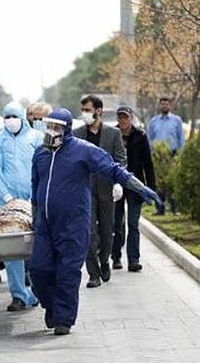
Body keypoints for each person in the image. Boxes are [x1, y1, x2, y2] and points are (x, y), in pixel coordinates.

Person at [30, 108, 162, 336]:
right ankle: (50, 305)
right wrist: (34, 215)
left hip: (73, 225)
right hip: (45, 225)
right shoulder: (40, 155)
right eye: (49, 126)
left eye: (56, 127)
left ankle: (63, 319)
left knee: (67, 273)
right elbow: (35, 187)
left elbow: (112, 168)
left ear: (67, 129)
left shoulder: (83, 151)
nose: (51, 131)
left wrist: (139, 186)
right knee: (38, 270)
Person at [0, 101, 42, 312]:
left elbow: (41, 167)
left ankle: (38, 292)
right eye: (7, 116)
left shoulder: (35, 138)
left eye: (14, 116)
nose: (10, 120)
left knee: (37, 247)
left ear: (22, 117)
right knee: (12, 251)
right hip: (8, 204)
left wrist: (33, 196)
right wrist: (7, 197)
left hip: (32, 201)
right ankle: (18, 295)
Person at [73, 95, 127, 288]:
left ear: (99, 111)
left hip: (106, 188)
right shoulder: (77, 134)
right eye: (83, 110)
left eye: (88, 110)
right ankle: (93, 273)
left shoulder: (113, 134)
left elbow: (120, 160)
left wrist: (118, 182)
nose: (85, 113)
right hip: (85, 191)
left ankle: (105, 260)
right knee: (88, 232)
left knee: (107, 230)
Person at [112, 106, 157, 272]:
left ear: (131, 118)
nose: (123, 121)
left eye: (125, 117)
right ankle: (115, 255)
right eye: (120, 117)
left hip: (135, 185)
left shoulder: (140, 136)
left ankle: (133, 259)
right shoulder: (112, 134)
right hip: (116, 183)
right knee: (116, 223)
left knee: (133, 223)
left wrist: (150, 188)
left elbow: (148, 164)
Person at [147, 97, 185, 215]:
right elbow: (149, 139)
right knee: (159, 183)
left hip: (172, 155)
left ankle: (175, 208)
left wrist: (180, 154)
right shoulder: (153, 121)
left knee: (172, 182)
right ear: (159, 106)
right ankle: (160, 208)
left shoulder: (176, 120)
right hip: (158, 156)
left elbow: (181, 138)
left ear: (170, 106)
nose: (164, 106)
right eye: (162, 104)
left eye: (166, 104)